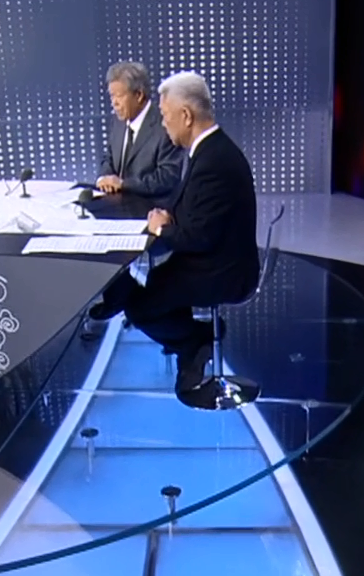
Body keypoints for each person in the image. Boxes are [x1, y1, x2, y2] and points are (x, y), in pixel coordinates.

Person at [97, 71, 257, 396]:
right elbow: (197, 210)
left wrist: (162, 227)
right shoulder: (210, 149)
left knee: (140, 306)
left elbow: (200, 237)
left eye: (166, 115)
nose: (163, 123)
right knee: (137, 289)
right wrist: (167, 215)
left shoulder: (215, 161)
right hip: (211, 257)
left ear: (186, 116)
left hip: (222, 269)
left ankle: (196, 340)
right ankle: (121, 302)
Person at [95, 61, 184, 201]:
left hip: (150, 207)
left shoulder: (165, 125)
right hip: (115, 205)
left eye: (119, 96)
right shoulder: (118, 120)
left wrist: (124, 184)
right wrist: (104, 178)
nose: (114, 103)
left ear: (139, 95)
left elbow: (167, 178)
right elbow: (109, 157)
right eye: (111, 96)